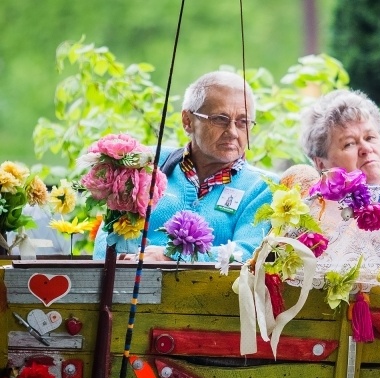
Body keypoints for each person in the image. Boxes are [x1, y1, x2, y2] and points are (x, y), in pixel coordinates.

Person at [93, 70, 275, 261]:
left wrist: (171, 257)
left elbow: (247, 254)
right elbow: (108, 237)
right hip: (132, 285)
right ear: (188, 121)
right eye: (220, 119)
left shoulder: (263, 187)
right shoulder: (146, 164)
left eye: (242, 122)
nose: (232, 132)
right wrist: (125, 261)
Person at [299, 89, 380, 186]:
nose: (367, 149)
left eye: (370, 138)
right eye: (349, 144)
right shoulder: (306, 201)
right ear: (321, 164)